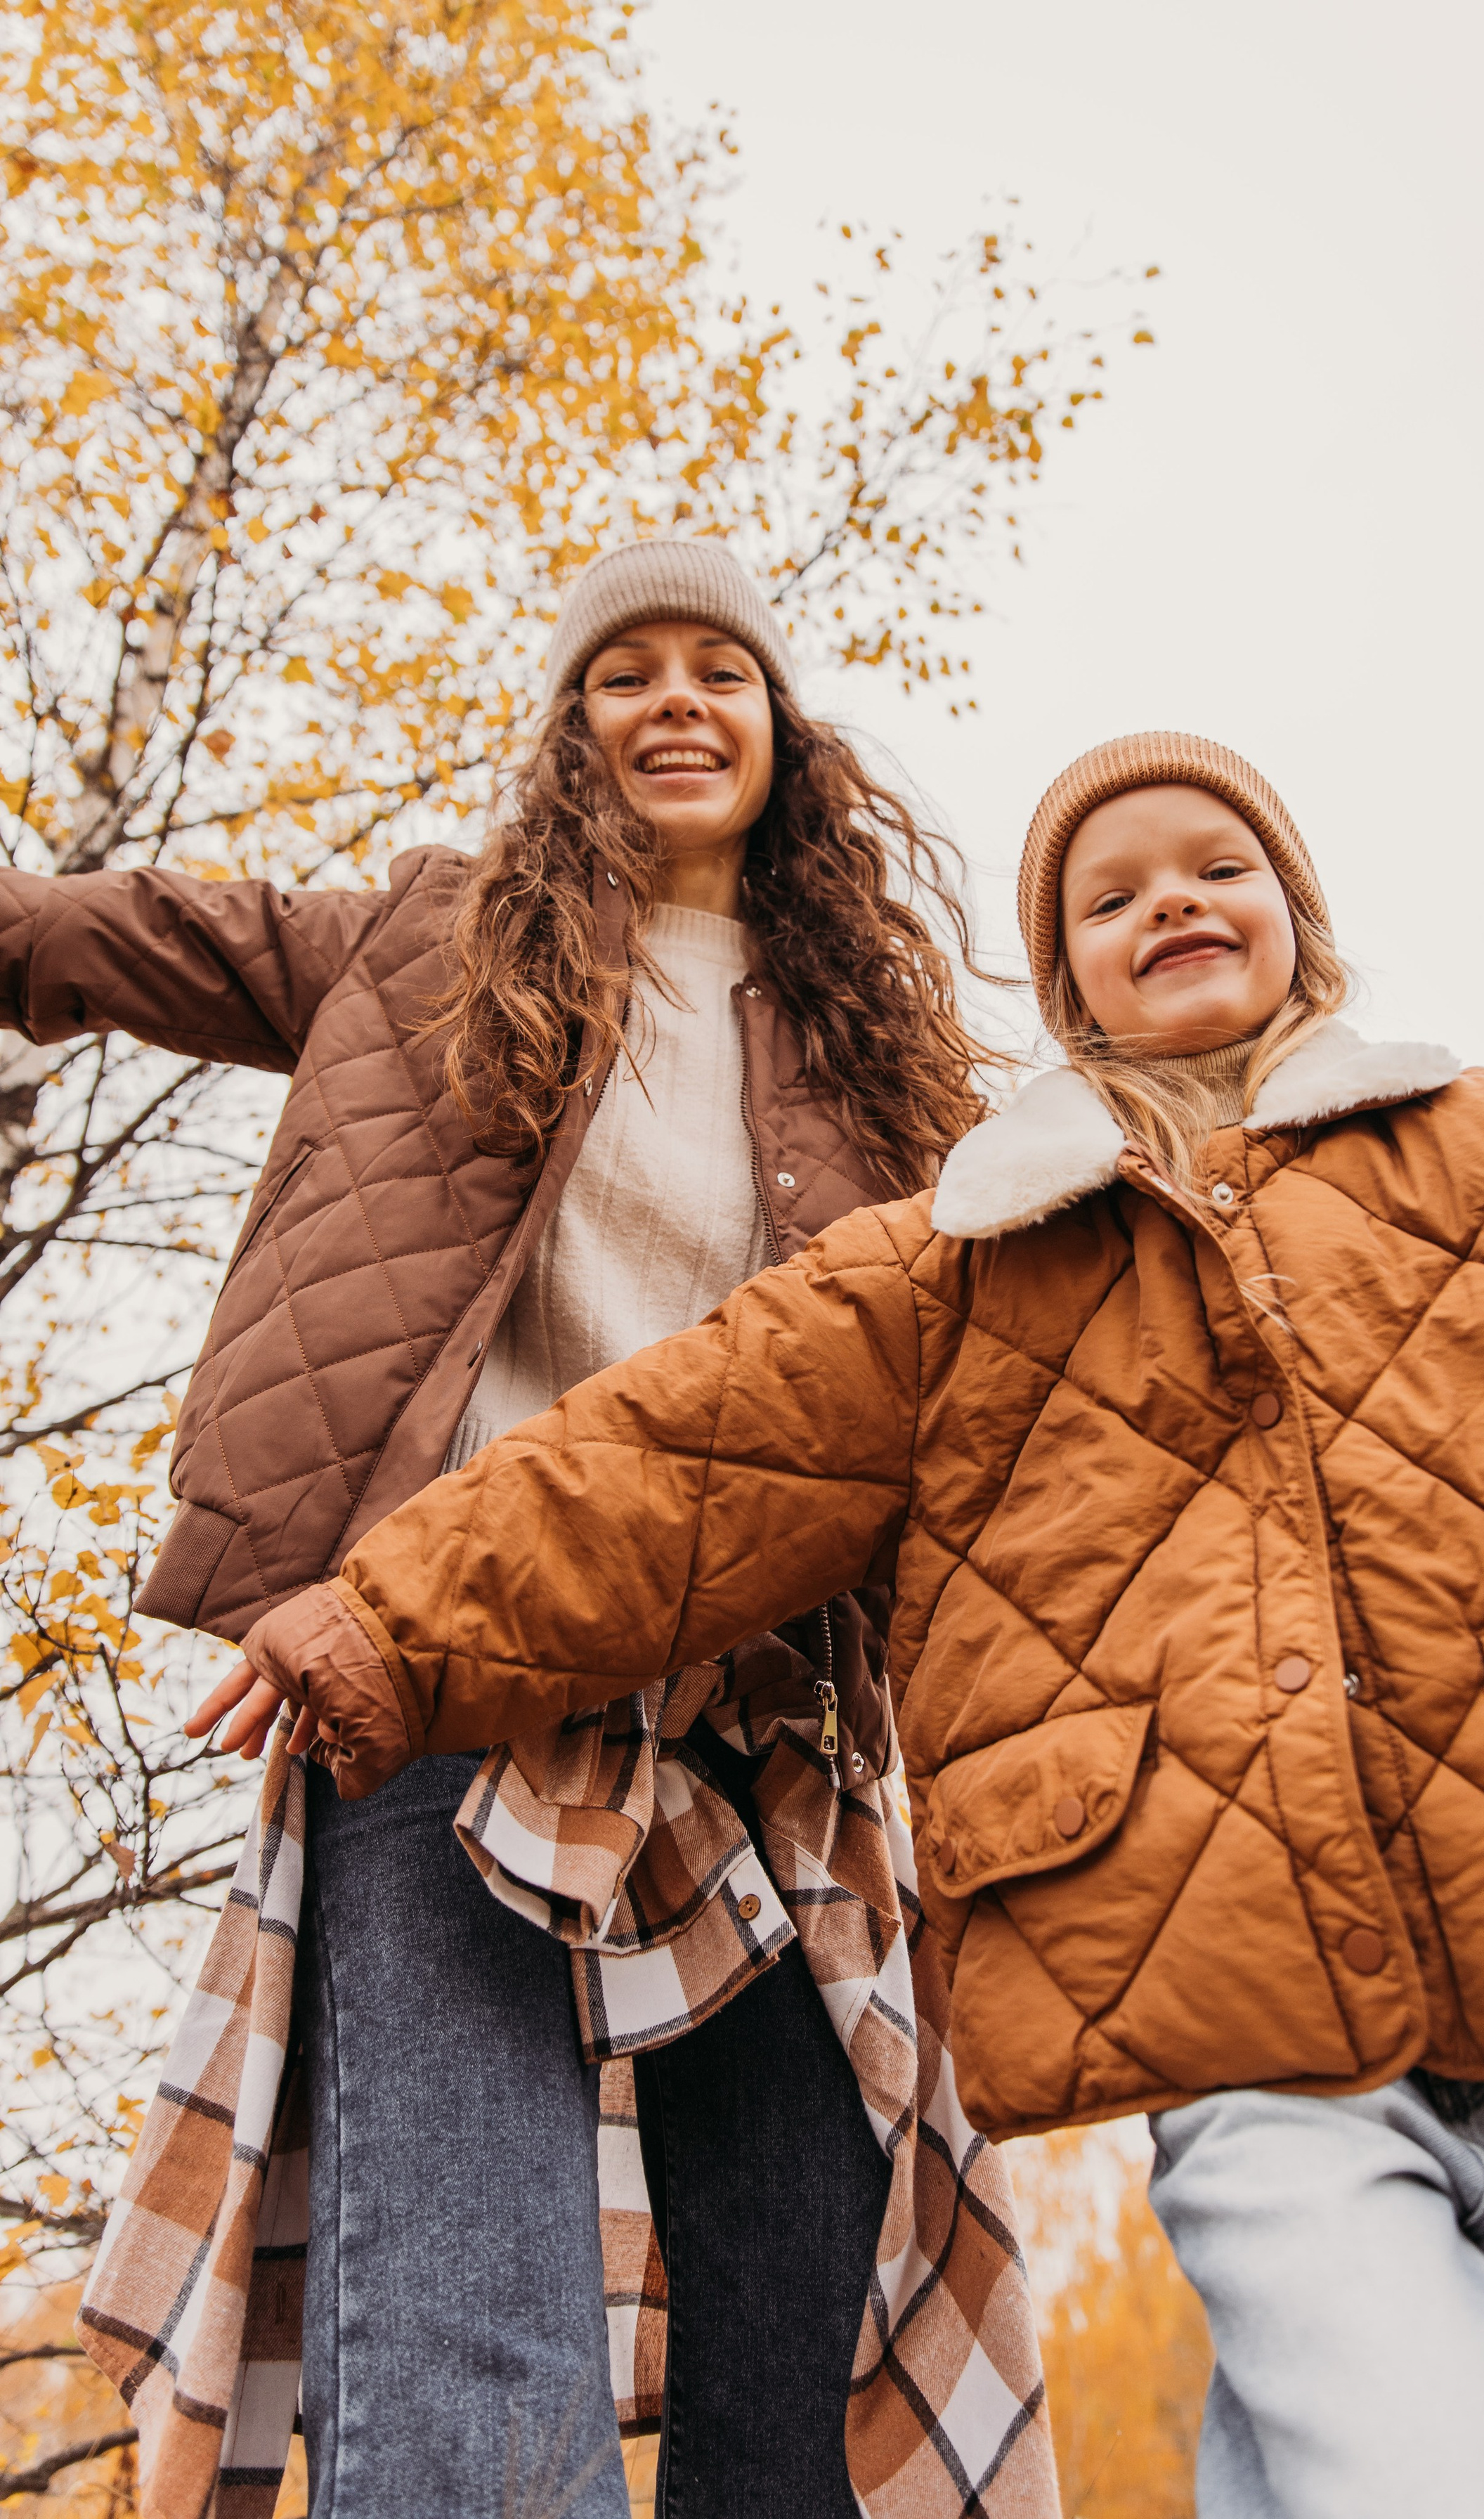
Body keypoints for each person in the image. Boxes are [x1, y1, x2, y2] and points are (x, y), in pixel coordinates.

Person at [208, 724, 1484, 2519]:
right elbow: (682, 1455)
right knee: (1389, 2444)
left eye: (1217, 868)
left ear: (1302, 919)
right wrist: (383, 1617)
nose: (1172, 904)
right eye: (1111, 897)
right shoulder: (963, 1265)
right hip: (1225, 1992)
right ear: (1064, 986)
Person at [22, 540, 1053, 2519]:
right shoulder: (425, 940)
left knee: (806, 2294)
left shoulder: (874, 1061)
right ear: (570, 730)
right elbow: (124, 933)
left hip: (764, 1724)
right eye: (624, 674)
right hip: (434, 1665)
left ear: (780, 729)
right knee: (463, 2294)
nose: (675, 703)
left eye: (720, 672)